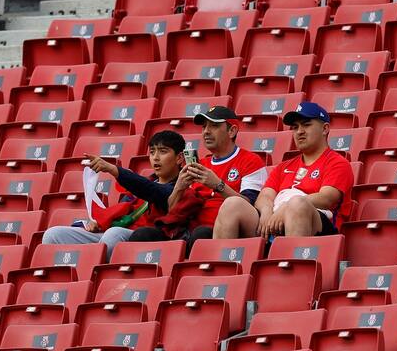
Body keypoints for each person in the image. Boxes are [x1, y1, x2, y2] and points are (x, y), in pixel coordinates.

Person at [129, 106, 268, 246]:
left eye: (214, 126)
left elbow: (249, 206)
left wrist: (218, 185)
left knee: (200, 234)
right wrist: (179, 187)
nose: (206, 132)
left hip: (222, 230)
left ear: (232, 131)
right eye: (204, 127)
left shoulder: (251, 161)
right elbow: (172, 210)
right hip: (187, 229)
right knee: (143, 235)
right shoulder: (199, 163)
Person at [213, 102, 354, 239]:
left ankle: (293, 261)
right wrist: (267, 211)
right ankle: (222, 262)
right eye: (295, 127)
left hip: (319, 225)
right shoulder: (284, 166)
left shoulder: (337, 163)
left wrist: (287, 206)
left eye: (306, 125)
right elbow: (265, 197)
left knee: (297, 205)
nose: (299, 132)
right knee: (232, 204)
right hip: (275, 219)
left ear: (325, 129)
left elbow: (326, 198)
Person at [41, 130, 185, 259]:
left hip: (142, 238)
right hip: (115, 232)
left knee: (113, 235)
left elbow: (154, 191)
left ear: (179, 158)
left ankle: (94, 278)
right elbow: (122, 210)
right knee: (53, 235)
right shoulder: (142, 184)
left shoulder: (182, 187)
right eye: (152, 152)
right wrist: (99, 222)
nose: (156, 157)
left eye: (163, 151)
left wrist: (113, 169)